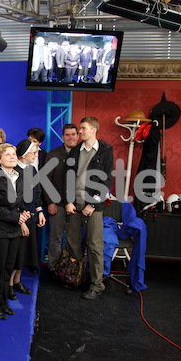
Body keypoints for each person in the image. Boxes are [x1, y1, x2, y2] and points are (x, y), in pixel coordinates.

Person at [64, 117, 113, 300]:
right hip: (74, 204)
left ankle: (96, 285)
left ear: (94, 129)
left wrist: (93, 205)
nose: (80, 132)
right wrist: (69, 201)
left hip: (93, 206)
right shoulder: (75, 151)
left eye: (83, 128)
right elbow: (68, 178)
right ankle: (76, 279)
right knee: (74, 243)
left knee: (94, 246)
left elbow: (106, 181)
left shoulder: (106, 150)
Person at [0, 144, 31, 320]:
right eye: (8, 154)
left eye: (14, 154)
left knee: (7, 269)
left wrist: (24, 213)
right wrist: (14, 217)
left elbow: (20, 204)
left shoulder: (19, 178)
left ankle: (3, 302)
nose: (12, 157)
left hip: (14, 231)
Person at [8, 139, 46, 300]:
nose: (36, 155)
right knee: (14, 254)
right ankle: (8, 284)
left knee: (23, 253)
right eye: (33, 152)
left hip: (30, 217)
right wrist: (21, 221)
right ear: (23, 155)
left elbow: (37, 194)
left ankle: (17, 280)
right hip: (18, 220)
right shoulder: (13, 171)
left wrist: (40, 211)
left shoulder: (33, 170)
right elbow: (12, 200)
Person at [44, 124, 78, 273]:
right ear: (62, 137)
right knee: (55, 239)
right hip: (57, 203)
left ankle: (73, 269)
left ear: (78, 135)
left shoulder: (82, 154)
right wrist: (50, 201)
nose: (70, 137)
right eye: (67, 135)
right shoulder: (54, 154)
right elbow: (45, 179)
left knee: (74, 240)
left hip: (77, 205)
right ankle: (54, 268)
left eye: (73, 134)